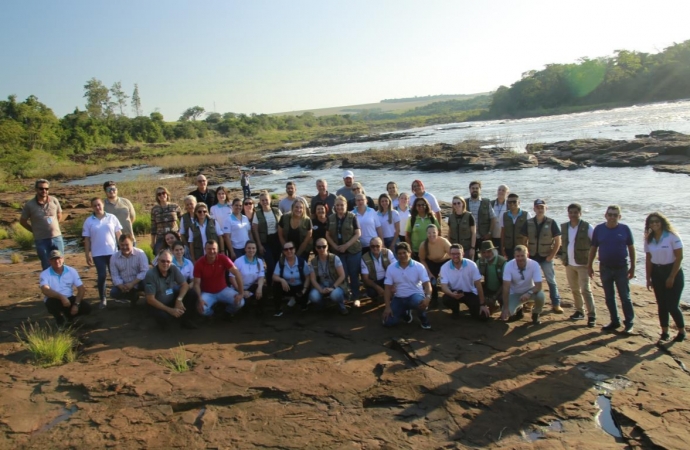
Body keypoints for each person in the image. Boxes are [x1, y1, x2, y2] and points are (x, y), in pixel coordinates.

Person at [588, 205, 636, 334]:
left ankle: (629, 323)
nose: (612, 217)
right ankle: (615, 321)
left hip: (621, 268)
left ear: (619, 217)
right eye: (610, 214)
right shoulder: (599, 229)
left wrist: (633, 267)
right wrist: (589, 266)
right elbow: (593, 248)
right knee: (609, 297)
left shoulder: (624, 229)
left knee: (625, 297)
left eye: (615, 215)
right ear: (606, 215)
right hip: (605, 268)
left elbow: (631, 248)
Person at [644, 212, 685, 342]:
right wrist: (648, 278)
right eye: (651, 222)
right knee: (661, 304)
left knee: (672, 305)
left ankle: (681, 331)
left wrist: (672, 276)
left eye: (657, 221)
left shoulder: (672, 236)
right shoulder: (648, 238)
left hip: (673, 271)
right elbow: (649, 258)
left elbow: (679, 257)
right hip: (657, 273)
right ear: (648, 224)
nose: (654, 223)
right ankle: (664, 332)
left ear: (662, 222)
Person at [521, 199, 563, 314]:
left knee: (551, 280)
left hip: (546, 257)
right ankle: (530, 303)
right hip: (532, 256)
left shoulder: (551, 222)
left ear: (546, 208)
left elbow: (558, 241)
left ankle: (556, 303)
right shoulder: (528, 223)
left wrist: (551, 256)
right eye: (537, 207)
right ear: (534, 209)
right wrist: (526, 256)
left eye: (542, 207)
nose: (540, 209)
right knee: (530, 280)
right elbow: (524, 241)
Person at [382, 242, 433, 330]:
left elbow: (427, 284)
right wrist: (387, 307)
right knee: (388, 322)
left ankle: (424, 319)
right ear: (396, 255)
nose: (402, 255)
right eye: (399, 253)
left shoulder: (419, 266)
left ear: (410, 252)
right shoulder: (391, 268)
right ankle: (406, 314)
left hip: (415, 295)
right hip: (399, 297)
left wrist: (428, 297)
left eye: (404, 252)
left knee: (420, 303)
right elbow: (387, 288)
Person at [83, 197, 122, 309]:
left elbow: (119, 234)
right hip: (97, 254)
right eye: (95, 205)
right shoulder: (89, 221)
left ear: (103, 205)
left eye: (99, 204)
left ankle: (119, 296)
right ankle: (103, 298)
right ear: (92, 207)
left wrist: (122, 249)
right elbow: (87, 239)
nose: (97, 207)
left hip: (112, 252)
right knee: (102, 275)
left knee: (115, 275)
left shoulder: (112, 218)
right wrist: (87, 254)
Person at [561, 203, 596, 327]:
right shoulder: (564, 227)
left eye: (575, 212)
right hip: (569, 263)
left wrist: (591, 262)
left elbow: (595, 244)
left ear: (580, 213)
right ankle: (579, 311)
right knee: (575, 289)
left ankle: (592, 315)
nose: (573, 215)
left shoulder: (588, 227)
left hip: (583, 264)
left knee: (585, 289)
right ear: (568, 213)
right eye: (571, 212)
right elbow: (562, 244)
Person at [144, 249, 197, 329]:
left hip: (171, 298)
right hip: (157, 304)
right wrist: (170, 310)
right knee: (165, 320)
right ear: (158, 261)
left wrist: (179, 300)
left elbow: (185, 285)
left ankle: (185, 320)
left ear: (171, 262)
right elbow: (150, 299)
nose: (165, 264)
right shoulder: (150, 274)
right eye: (163, 261)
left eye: (168, 261)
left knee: (192, 293)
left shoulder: (173, 268)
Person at [194, 240, 245, 319]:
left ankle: (227, 312)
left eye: (214, 249)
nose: (212, 251)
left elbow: (237, 273)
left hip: (223, 290)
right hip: (207, 292)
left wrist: (241, 293)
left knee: (240, 302)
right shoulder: (199, 263)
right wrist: (200, 299)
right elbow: (196, 283)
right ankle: (213, 315)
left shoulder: (223, 258)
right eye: (209, 249)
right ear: (205, 249)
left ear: (217, 249)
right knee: (202, 309)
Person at [20, 179, 64, 270]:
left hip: (57, 237)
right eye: (41, 188)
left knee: (60, 263)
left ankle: (61, 283)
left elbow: (59, 214)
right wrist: (34, 230)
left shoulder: (54, 200)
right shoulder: (29, 205)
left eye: (46, 189)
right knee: (46, 264)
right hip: (41, 240)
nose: (44, 191)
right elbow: (23, 221)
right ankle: (49, 284)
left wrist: (54, 226)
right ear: (36, 189)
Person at [439, 244, 490, 320]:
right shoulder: (444, 267)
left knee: (483, 317)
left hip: (469, 293)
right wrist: (452, 294)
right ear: (450, 254)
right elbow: (444, 286)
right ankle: (455, 310)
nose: (455, 256)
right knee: (446, 299)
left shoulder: (472, 265)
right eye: (453, 254)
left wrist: (482, 304)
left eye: (458, 254)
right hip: (454, 292)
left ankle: (473, 309)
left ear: (463, 254)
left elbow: (478, 284)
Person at [40, 249, 90, 326]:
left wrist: (76, 304)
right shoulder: (45, 274)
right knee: (50, 303)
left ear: (63, 259)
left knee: (87, 308)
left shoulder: (72, 271)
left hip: (69, 298)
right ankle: (59, 319)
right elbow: (45, 290)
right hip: (54, 299)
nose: (56, 261)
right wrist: (61, 297)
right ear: (49, 261)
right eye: (53, 259)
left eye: (58, 258)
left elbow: (81, 289)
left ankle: (70, 317)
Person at [326, 196, 362, 302]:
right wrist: (333, 245)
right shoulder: (331, 218)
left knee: (354, 274)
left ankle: (356, 297)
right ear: (334, 206)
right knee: (343, 274)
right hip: (338, 251)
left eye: (342, 205)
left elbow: (358, 233)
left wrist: (346, 245)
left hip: (353, 250)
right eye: (337, 205)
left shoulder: (352, 216)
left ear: (346, 205)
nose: (340, 207)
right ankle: (346, 295)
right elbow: (327, 235)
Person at [500, 245, 546, 324]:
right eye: (518, 256)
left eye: (522, 256)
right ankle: (519, 308)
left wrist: (529, 293)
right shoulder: (508, 266)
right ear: (514, 256)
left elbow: (538, 286)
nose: (520, 258)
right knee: (507, 313)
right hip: (515, 293)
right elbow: (506, 288)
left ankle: (536, 313)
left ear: (527, 255)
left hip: (530, 291)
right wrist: (506, 308)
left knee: (541, 296)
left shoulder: (534, 265)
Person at [308, 238, 349, 315]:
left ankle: (342, 306)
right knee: (313, 296)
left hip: (336, 283)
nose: (321, 249)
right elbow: (313, 279)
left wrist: (333, 287)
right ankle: (323, 306)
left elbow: (342, 275)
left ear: (327, 247)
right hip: (322, 284)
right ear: (316, 248)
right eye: (319, 247)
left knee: (335, 295)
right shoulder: (313, 261)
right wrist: (320, 290)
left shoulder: (335, 258)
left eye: (324, 246)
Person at [272, 241, 312, 317]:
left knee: (303, 307)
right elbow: (274, 276)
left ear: (295, 249)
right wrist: (282, 280)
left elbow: (308, 277)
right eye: (286, 249)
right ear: (283, 251)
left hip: (300, 288)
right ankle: (278, 309)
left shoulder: (302, 262)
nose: (289, 251)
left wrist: (304, 290)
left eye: (291, 248)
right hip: (287, 287)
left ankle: (301, 301)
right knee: (276, 285)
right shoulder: (281, 262)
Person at [109, 234, 149, 307]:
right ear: (119, 244)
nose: (124, 247)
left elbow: (144, 271)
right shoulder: (114, 257)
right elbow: (115, 275)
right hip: (124, 284)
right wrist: (121, 286)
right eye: (122, 245)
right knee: (113, 293)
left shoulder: (140, 253)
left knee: (148, 283)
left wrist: (132, 283)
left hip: (138, 282)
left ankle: (148, 300)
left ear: (132, 243)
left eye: (127, 245)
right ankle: (133, 297)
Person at [418, 224, 451, 308]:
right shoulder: (423, 245)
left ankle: (451, 295)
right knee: (431, 279)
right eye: (429, 233)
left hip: (445, 261)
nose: (431, 235)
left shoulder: (443, 241)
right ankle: (434, 298)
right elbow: (422, 259)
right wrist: (429, 273)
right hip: (432, 262)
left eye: (434, 232)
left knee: (450, 277)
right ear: (426, 234)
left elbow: (452, 254)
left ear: (437, 232)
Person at [252, 190, 282, 283]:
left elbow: (282, 225)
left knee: (278, 263)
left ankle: (277, 284)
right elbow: (255, 230)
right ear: (260, 202)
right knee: (270, 264)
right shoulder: (257, 213)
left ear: (270, 200)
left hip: (277, 240)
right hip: (265, 242)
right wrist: (259, 245)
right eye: (262, 200)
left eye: (266, 200)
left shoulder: (276, 211)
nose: (265, 202)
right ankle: (269, 283)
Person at [231, 240, 266, 315]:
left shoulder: (259, 261)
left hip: (251, 287)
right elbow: (232, 278)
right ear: (245, 249)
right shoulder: (238, 261)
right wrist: (242, 291)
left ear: (256, 249)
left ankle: (261, 312)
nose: (251, 250)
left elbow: (261, 276)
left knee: (263, 289)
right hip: (239, 288)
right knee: (243, 305)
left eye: (253, 248)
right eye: (249, 248)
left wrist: (259, 288)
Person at [360, 237, 396, 304]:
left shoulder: (388, 252)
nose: (375, 248)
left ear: (381, 246)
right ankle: (376, 297)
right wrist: (378, 288)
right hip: (374, 281)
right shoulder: (364, 258)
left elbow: (396, 269)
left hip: (387, 279)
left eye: (377, 246)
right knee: (371, 292)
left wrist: (393, 284)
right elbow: (366, 279)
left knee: (395, 288)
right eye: (372, 246)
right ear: (369, 247)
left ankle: (392, 296)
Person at [466, 181, 496, 256]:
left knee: (486, 257)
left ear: (480, 189)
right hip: (469, 237)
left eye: (477, 188)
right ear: (470, 189)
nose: (475, 190)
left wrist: (489, 233)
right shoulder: (464, 202)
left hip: (483, 236)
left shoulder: (486, 202)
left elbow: (493, 218)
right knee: (472, 257)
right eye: (473, 188)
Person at [477, 240, 506, 312]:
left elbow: (506, 283)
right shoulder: (479, 262)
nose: (486, 254)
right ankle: (490, 305)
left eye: (489, 251)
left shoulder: (502, 262)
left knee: (504, 297)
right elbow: (475, 280)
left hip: (501, 289)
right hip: (487, 289)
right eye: (483, 252)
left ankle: (504, 308)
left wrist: (494, 297)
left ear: (494, 251)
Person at [150, 187, 181, 253]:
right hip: (161, 238)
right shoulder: (154, 209)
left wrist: (181, 234)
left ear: (167, 194)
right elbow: (153, 227)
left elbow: (182, 221)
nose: (162, 195)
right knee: (160, 256)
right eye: (159, 194)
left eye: (163, 193)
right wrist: (153, 242)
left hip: (174, 236)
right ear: (157, 196)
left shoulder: (175, 206)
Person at [500, 193, 530, 260]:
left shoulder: (526, 215)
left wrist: (528, 248)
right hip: (508, 247)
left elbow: (530, 233)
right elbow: (502, 232)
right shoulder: (504, 215)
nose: (512, 204)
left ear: (519, 202)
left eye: (514, 202)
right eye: (510, 202)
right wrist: (502, 248)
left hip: (522, 247)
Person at [447, 196, 476, 260]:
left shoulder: (469, 216)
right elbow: (449, 232)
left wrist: (472, 248)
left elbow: (473, 233)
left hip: (467, 248)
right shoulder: (451, 217)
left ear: (463, 203)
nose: (457, 205)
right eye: (454, 204)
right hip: (454, 249)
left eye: (458, 203)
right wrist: (449, 247)